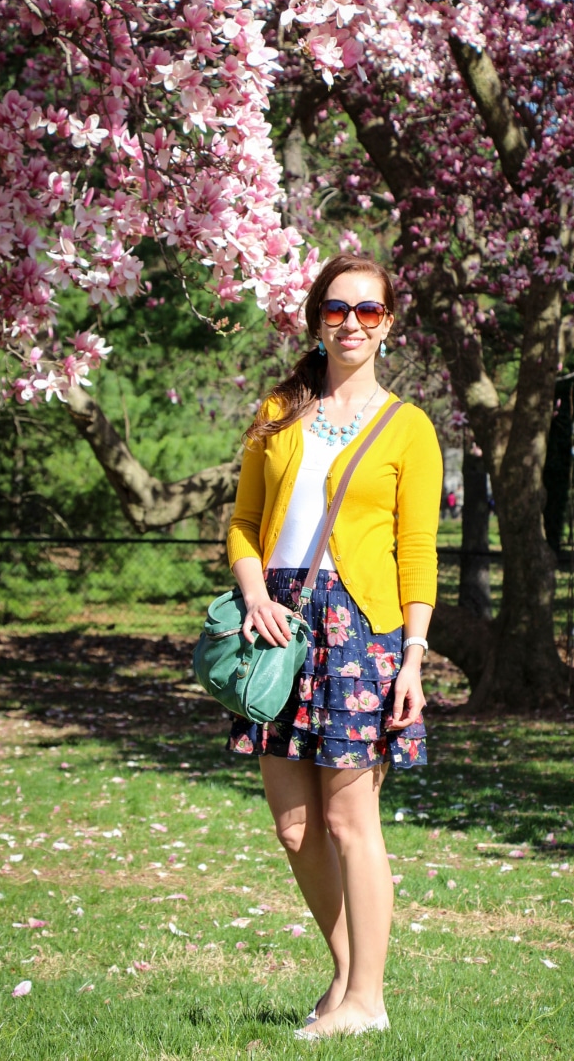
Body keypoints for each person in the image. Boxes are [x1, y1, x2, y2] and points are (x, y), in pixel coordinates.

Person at [227, 252, 443, 1039]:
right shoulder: (278, 411)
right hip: (276, 621)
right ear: (316, 317)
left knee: (351, 821)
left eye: (369, 311)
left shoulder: (408, 426)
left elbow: (417, 549)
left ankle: (367, 1001)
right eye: (337, 308)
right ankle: (348, 979)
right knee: (293, 826)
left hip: (362, 627)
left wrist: (413, 655)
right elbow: (244, 523)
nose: (351, 323)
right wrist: (254, 593)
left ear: (388, 324)